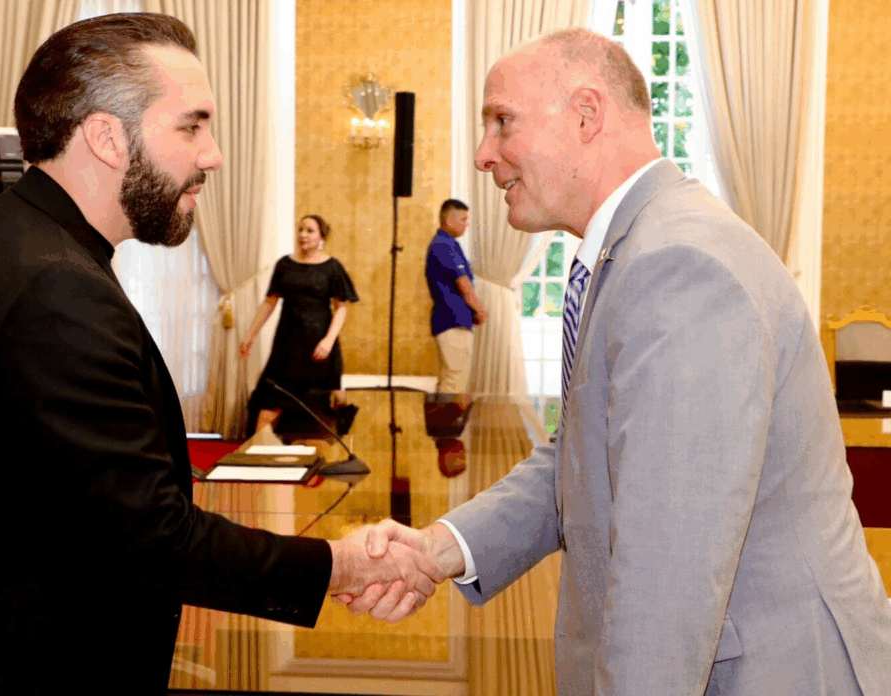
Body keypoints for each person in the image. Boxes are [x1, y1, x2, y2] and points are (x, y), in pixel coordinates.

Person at [0, 14, 439, 695]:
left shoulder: (20, 235)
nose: (213, 155)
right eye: (191, 127)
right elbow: (149, 537)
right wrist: (340, 565)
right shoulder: (56, 284)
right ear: (107, 136)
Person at [346, 28, 891, 695]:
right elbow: (580, 458)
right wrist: (438, 549)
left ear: (586, 113)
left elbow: (669, 574)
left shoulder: (678, 266)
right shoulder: (637, 249)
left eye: (502, 121)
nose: (484, 154)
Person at [239, 214, 358, 436]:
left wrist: (328, 340)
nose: (303, 235)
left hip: (319, 347)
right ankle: (259, 451)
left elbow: (341, 307)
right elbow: (269, 302)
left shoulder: (332, 267)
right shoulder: (285, 265)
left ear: (321, 236)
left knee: (320, 409)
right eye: (300, 229)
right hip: (286, 346)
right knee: (271, 399)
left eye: (310, 231)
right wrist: (250, 335)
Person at [425, 199, 486, 393]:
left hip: (454, 319)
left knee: (451, 376)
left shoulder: (448, 244)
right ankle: (447, 414)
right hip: (452, 319)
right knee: (455, 379)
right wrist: (480, 309)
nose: (467, 224)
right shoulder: (443, 245)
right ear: (449, 220)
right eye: (463, 219)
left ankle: (443, 413)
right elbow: (463, 284)